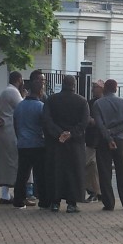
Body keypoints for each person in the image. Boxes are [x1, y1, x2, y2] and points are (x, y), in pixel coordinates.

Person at [41, 74, 90, 213]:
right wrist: (71, 133)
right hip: (75, 143)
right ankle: (72, 203)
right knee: (73, 173)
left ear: (62, 84)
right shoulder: (82, 101)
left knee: (55, 171)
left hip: (55, 143)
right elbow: (84, 122)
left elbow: (46, 119)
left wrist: (58, 133)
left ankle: (55, 202)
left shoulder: (51, 100)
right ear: (74, 85)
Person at [92, 78, 123, 211]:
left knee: (104, 172)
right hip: (121, 140)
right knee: (122, 171)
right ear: (115, 89)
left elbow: (99, 125)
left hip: (104, 141)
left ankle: (109, 203)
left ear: (104, 89)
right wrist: (115, 132)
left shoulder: (98, 104)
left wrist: (109, 138)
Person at [12, 78, 46, 208]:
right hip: (37, 144)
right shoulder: (41, 107)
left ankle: (18, 200)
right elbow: (44, 125)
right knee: (40, 175)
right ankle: (43, 201)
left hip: (23, 144)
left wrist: (20, 137)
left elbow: (15, 125)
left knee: (22, 174)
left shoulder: (20, 106)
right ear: (40, 91)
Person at [0, 71, 24, 204]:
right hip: (11, 131)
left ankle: (4, 194)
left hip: (2, 131)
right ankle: (19, 193)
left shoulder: (4, 92)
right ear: (18, 80)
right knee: (15, 162)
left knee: (4, 163)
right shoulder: (14, 92)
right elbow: (22, 108)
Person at [83, 79, 105, 203]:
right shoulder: (90, 102)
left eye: (95, 87)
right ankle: (96, 191)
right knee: (91, 166)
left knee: (91, 166)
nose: (92, 89)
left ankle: (96, 191)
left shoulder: (102, 102)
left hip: (99, 138)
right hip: (92, 139)